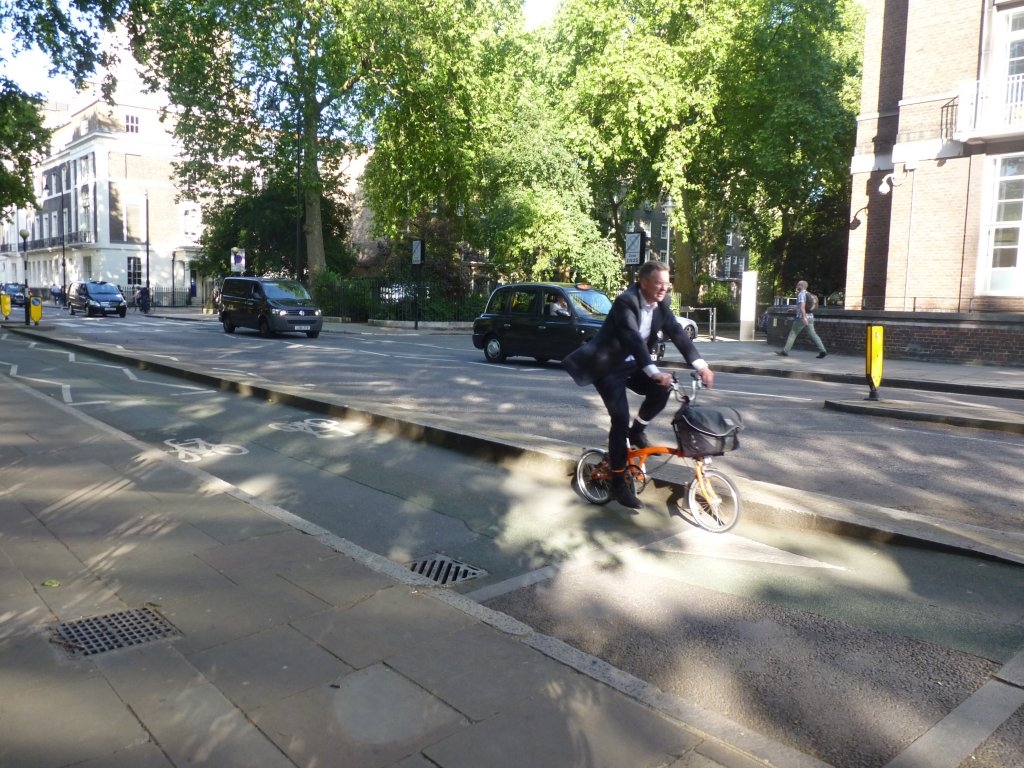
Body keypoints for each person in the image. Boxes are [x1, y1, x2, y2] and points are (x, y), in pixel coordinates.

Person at [563, 261, 714, 510]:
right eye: (659, 283)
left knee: (664, 388)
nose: (664, 288)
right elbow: (633, 339)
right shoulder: (626, 301)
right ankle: (619, 483)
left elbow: (677, 333)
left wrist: (702, 366)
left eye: (667, 283)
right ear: (644, 282)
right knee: (620, 419)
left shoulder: (661, 304)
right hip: (608, 367)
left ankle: (638, 430)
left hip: (633, 365)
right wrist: (654, 372)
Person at [777, 279, 827, 359]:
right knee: (814, 335)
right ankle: (823, 351)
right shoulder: (809, 294)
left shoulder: (801, 294)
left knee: (793, 333)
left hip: (801, 318)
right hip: (810, 318)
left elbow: (802, 306)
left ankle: (785, 351)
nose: (797, 286)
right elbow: (804, 307)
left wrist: (804, 317)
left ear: (802, 286)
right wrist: (794, 310)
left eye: (798, 285)